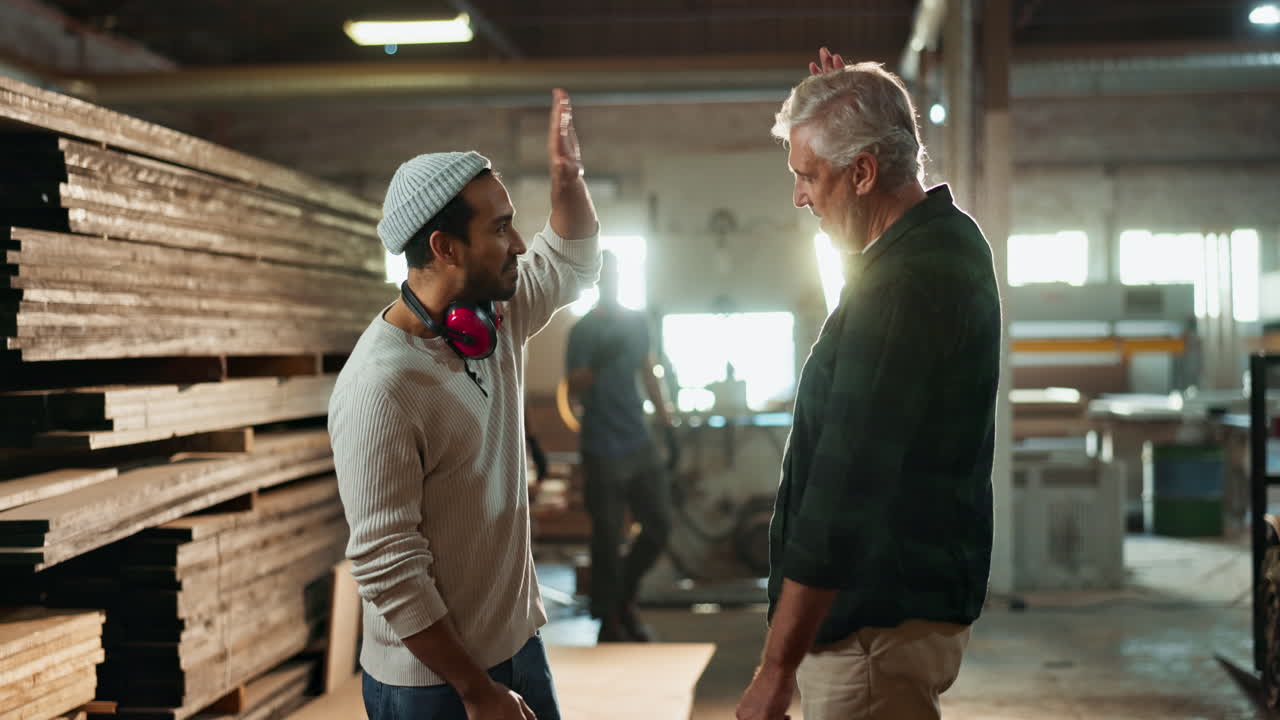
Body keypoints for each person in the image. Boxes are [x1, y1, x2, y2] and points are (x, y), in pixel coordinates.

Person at [736, 49, 1001, 720]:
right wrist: (860, 96)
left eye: (809, 176)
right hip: (889, 615)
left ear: (862, 172)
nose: (799, 197)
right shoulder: (941, 240)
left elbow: (842, 487)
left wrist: (776, 666)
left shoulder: (903, 283)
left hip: (873, 630)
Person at [329, 88, 599, 720]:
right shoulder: (380, 386)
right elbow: (386, 565)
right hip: (434, 685)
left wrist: (570, 178)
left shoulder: (492, 316)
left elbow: (574, 259)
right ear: (446, 247)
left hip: (517, 648)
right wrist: (476, 692)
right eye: (501, 228)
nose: (518, 244)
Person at [566, 250, 674, 642]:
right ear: (596, 280)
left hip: (638, 440)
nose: (610, 281)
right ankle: (609, 620)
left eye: (616, 275)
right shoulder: (582, 331)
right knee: (608, 536)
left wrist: (666, 420)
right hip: (600, 444)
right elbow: (572, 385)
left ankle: (624, 597)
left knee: (660, 524)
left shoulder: (635, 322)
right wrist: (595, 365)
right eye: (605, 276)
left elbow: (648, 369)